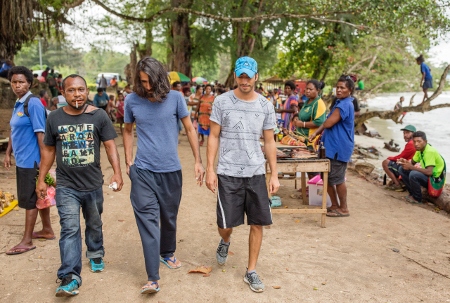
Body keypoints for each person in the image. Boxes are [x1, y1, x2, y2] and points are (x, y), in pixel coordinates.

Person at [35, 74, 124, 297]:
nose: (77, 94)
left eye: (81, 90)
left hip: (93, 184)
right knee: (70, 228)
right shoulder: (54, 118)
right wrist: (41, 178)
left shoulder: (99, 115)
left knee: (94, 222)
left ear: (87, 92)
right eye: (72, 90)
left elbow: (110, 146)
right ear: (63, 94)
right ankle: (69, 276)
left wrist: (117, 172)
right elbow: (48, 150)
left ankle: (95, 253)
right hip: (66, 185)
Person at [123, 57, 205, 294]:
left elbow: (190, 128)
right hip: (143, 171)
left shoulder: (176, 98)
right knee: (148, 222)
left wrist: (198, 161)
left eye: (149, 81)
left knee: (168, 217)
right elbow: (127, 130)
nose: (146, 87)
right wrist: (129, 159)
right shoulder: (131, 100)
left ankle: (167, 253)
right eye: (141, 82)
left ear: (159, 78)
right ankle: (152, 278)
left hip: (170, 170)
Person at [206, 56, 280, 293]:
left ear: (256, 76)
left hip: (256, 171)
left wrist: (274, 173)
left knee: (258, 222)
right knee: (226, 224)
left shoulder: (266, 106)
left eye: (249, 76)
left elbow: (269, 141)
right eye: (241, 76)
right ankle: (225, 241)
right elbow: (214, 136)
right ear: (236, 76)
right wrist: (210, 169)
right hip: (227, 171)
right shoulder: (222, 102)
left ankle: (251, 271)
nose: (245, 80)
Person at [4, 66, 55, 255]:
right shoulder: (19, 103)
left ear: (29, 83)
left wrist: (44, 163)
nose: (17, 86)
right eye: (14, 82)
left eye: (21, 82)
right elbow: (14, 130)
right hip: (22, 160)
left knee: (29, 199)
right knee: (38, 196)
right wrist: (8, 152)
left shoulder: (32, 103)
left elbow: (40, 134)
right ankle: (47, 229)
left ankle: (26, 241)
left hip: (32, 161)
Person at [309, 75, 355, 217]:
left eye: (343, 88)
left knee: (338, 179)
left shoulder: (345, 104)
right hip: (330, 146)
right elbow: (327, 123)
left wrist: (318, 131)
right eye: (338, 87)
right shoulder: (339, 102)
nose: (339, 90)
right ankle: (334, 205)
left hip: (338, 148)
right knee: (326, 177)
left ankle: (344, 208)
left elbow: (328, 123)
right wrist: (317, 134)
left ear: (350, 90)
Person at [398, 131, 446, 204]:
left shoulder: (429, 151)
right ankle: (412, 193)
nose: (416, 144)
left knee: (413, 174)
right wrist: (404, 162)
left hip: (435, 180)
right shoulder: (419, 150)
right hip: (428, 176)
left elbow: (429, 172)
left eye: (419, 141)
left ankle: (417, 198)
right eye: (414, 141)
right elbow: (412, 162)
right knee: (402, 169)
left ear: (425, 141)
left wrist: (411, 167)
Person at [382, 125, 416, 191]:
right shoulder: (414, 143)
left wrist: (389, 158)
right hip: (412, 166)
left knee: (385, 163)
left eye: (407, 133)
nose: (405, 135)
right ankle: (400, 181)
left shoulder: (411, 143)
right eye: (404, 133)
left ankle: (397, 184)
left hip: (409, 168)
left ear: (413, 134)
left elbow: (401, 157)